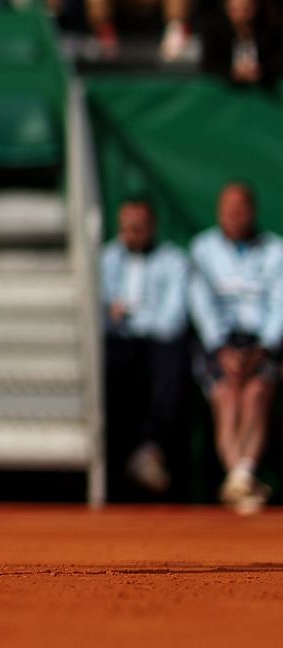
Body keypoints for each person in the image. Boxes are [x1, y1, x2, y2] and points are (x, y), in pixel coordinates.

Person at [188, 181, 283, 514]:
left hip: (263, 344)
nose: (234, 216)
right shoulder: (203, 249)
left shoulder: (276, 250)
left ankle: (238, 480)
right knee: (227, 397)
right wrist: (220, 348)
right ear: (219, 213)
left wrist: (265, 347)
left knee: (256, 394)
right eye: (228, 210)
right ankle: (242, 478)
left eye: (240, 209)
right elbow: (201, 303)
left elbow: (279, 302)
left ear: (252, 212)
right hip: (220, 345)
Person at [99, 200, 192, 497]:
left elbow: (170, 322)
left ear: (153, 226)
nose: (134, 232)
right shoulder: (104, 259)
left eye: (140, 225)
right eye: (128, 225)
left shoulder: (174, 260)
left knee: (169, 361)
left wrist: (126, 314)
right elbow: (99, 314)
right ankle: (129, 458)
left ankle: (150, 449)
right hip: (118, 346)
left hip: (158, 347)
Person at [200, 0, 281, 87]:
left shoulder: (271, 31)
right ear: (226, 6)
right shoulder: (214, 31)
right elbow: (208, 64)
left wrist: (261, 70)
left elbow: (278, 60)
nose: (242, 2)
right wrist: (232, 72)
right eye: (236, 8)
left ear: (256, 4)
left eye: (246, 8)